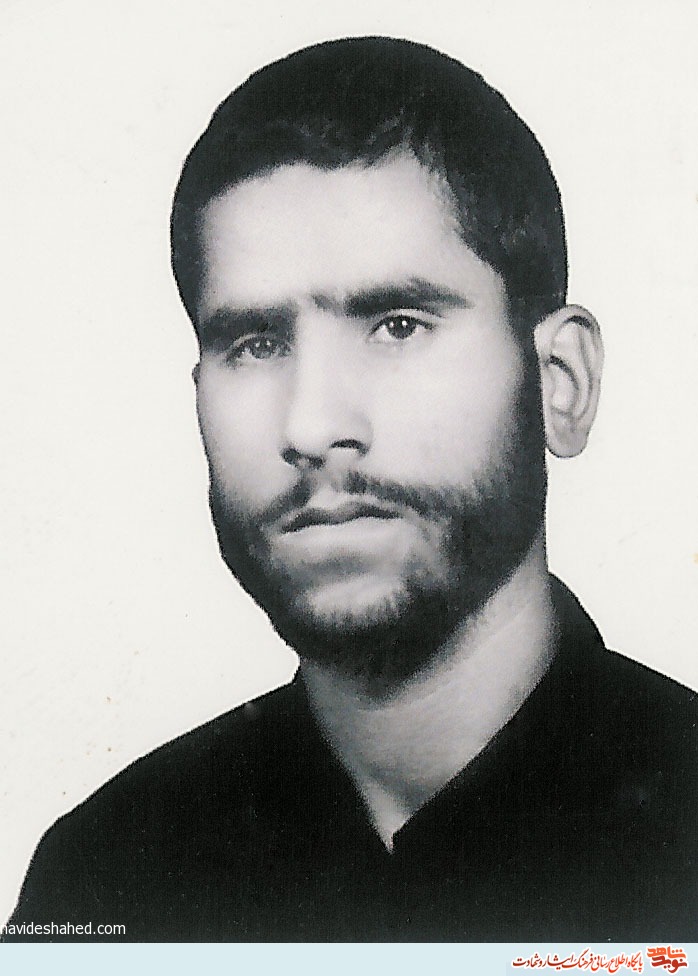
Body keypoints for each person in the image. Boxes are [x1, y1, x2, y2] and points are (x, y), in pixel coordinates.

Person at [4, 36, 696, 942]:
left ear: (559, 384)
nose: (310, 424)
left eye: (397, 325)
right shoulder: (103, 878)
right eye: (255, 344)